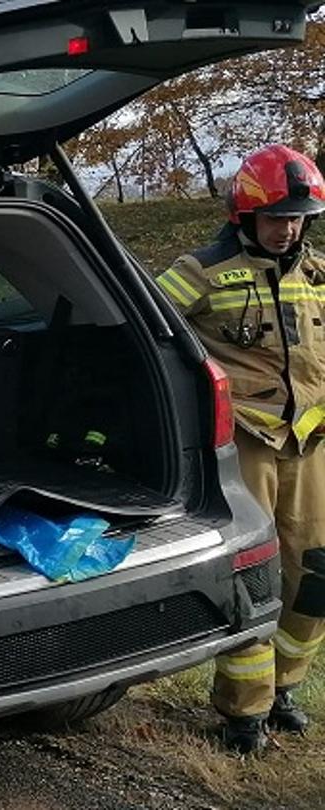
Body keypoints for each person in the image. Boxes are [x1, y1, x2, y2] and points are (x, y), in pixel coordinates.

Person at [155, 143, 325, 753]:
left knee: (317, 574)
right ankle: (243, 712)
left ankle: (285, 688)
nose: (289, 228)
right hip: (244, 442)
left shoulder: (317, 275)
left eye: (299, 217)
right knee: (253, 574)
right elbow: (144, 331)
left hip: (310, 444)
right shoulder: (198, 271)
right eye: (277, 217)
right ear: (245, 215)